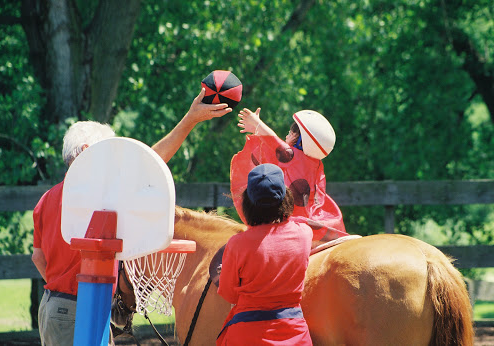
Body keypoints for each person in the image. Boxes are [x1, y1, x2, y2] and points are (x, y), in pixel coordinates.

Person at [31, 88, 232, 346]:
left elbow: (38, 257)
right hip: (80, 307)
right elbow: (151, 164)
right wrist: (189, 119)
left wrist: (60, 289)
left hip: (54, 306)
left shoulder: (47, 198)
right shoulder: (98, 192)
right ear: (84, 151)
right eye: (107, 152)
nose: (115, 162)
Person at [217, 163, 313, 345]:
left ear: (248, 202)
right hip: (294, 334)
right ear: (286, 198)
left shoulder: (236, 244)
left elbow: (229, 295)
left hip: (247, 335)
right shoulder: (304, 234)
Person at [230, 107, 349, 243]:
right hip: (317, 223)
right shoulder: (313, 164)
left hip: (297, 223)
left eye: (290, 132)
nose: (286, 136)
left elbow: (275, 144)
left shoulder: (293, 157)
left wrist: (257, 124)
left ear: (299, 141)